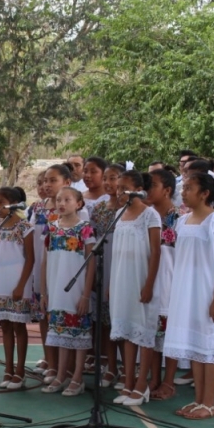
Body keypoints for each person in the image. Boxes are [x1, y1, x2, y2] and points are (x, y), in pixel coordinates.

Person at [164, 172, 214, 420]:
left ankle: (210, 403)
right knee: (197, 347)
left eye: (189, 188)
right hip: (187, 292)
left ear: (205, 193)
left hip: (208, 292)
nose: (183, 192)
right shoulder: (182, 222)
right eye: (183, 188)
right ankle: (198, 401)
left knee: (211, 345)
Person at [30, 164, 87, 383]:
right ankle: (51, 362)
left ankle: (70, 370)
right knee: (46, 315)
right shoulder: (37, 208)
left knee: (70, 317)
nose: (46, 185)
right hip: (44, 268)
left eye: (52, 180)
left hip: (67, 271)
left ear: (67, 183)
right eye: (44, 180)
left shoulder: (77, 212)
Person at [109, 171, 161, 406]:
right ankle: (128, 383)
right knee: (127, 332)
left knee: (143, 333)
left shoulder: (150, 215)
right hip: (122, 280)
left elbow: (156, 252)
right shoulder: (120, 214)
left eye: (124, 187)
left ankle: (142, 386)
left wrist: (149, 284)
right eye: (118, 187)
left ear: (139, 188)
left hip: (140, 279)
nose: (119, 192)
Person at [40, 187, 96, 396]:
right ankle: (62, 375)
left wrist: (85, 294)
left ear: (79, 203)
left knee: (79, 334)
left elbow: (91, 263)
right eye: (58, 200)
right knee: (61, 332)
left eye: (67, 199)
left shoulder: (85, 228)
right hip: (56, 289)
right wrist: (44, 293)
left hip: (77, 290)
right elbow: (45, 262)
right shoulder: (51, 228)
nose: (62, 204)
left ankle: (78, 377)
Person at [0, 187, 35, 390]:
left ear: (13, 204)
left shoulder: (24, 226)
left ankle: (20, 371)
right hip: (1, 282)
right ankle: (8, 369)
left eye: (1, 202)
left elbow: (30, 258)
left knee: (18, 326)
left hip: (17, 282)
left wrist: (21, 285)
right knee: (5, 325)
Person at [146, 169, 182, 401]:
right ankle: (153, 377)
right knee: (152, 333)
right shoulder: (146, 215)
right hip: (148, 278)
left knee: (169, 333)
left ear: (167, 190)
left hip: (170, 280)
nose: (146, 190)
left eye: (152, 186)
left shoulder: (179, 218)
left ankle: (169, 380)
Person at [90, 163, 125, 387]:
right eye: (107, 179)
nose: (109, 183)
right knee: (105, 321)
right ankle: (111, 367)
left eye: (114, 179)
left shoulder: (129, 207)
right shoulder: (99, 205)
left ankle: (125, 367)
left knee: (121, 320)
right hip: (103, 260)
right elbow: (93, 236)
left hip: (122, 263)